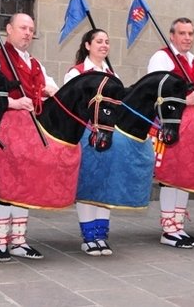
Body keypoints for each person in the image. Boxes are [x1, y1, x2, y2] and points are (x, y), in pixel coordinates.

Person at [0, 13, 59, 261]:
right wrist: (12, 102)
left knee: (25, 183)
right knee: (7, 184)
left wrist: (52, 94)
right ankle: (1, 243)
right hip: (6, 128)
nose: (27, 33)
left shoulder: (36, 64)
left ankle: (20, 241)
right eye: (22, 28)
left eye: (31, 29)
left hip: (32, 131)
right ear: (9, 30)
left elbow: (53, 90)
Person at [147, 17, 194, 248]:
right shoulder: (161, 58)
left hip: (189, 129)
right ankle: (167, 228)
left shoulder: (192, 61)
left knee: (185, 176)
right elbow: (155, 94)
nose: (187, 38)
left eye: (190, 34)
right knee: (170, 177)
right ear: (172, 35)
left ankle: (178, 225)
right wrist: (186, 100)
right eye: (182, 33)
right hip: (167, 125)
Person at [63, 29, 117, 256]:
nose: (103, 45)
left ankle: (101, 235)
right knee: (88, 183)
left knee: (105, 183)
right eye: (99, 41)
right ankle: (88, 237)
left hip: (108, 134)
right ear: (87, 45)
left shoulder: (112, 75)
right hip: (86, 134)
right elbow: (70, 106)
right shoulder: (76, 73)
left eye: (106, 41)